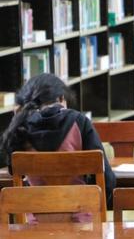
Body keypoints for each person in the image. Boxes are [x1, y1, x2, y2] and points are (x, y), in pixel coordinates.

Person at [0, 73, 116, 210]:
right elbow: (107, 181)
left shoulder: (21, 127)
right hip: (83, 221)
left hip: (34, 223)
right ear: (61, 98)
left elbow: (14, 174)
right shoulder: (80, 122)